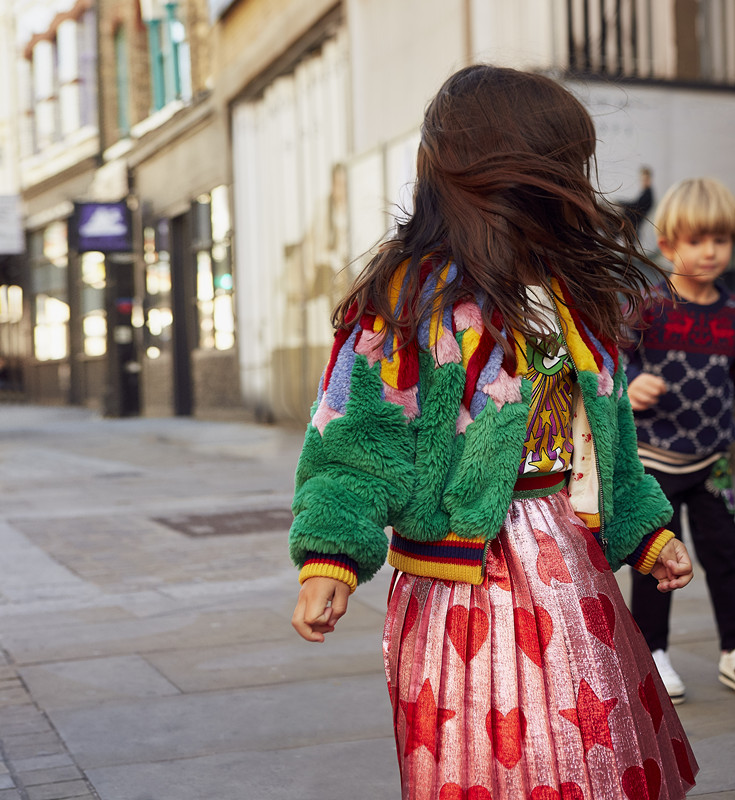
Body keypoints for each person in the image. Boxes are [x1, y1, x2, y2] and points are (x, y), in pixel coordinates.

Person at [289, 65, 698, 799]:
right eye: (564, 166)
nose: (577, 183)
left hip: (570, 561)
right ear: (503, 173)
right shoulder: (408, 301)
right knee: (488, 752)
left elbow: (605, 437)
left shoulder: (569, 293)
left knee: (586, 746)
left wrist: (644, 531)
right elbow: (354, 442)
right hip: (462, 575)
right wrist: (328, 555)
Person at [625, 176, 735, 705]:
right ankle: (654, 650)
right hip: (655, 460)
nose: (710, 252)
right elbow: (607, 366)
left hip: (715, 460)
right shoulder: (649, 306)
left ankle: (733, 648)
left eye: (720, 239)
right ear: (667, 245)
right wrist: (630, 383)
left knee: (726, 553)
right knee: (658, 558)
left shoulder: (731, 312)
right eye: (696, 240)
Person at [620, 166, 654, 233]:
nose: (644, 182)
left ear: (650, 180)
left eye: (646, 180)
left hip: (632, 225)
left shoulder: (647, 195)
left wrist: (620, 204)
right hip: (632, 225)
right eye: (642, 180)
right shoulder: (645, 193)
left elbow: (636, 205)